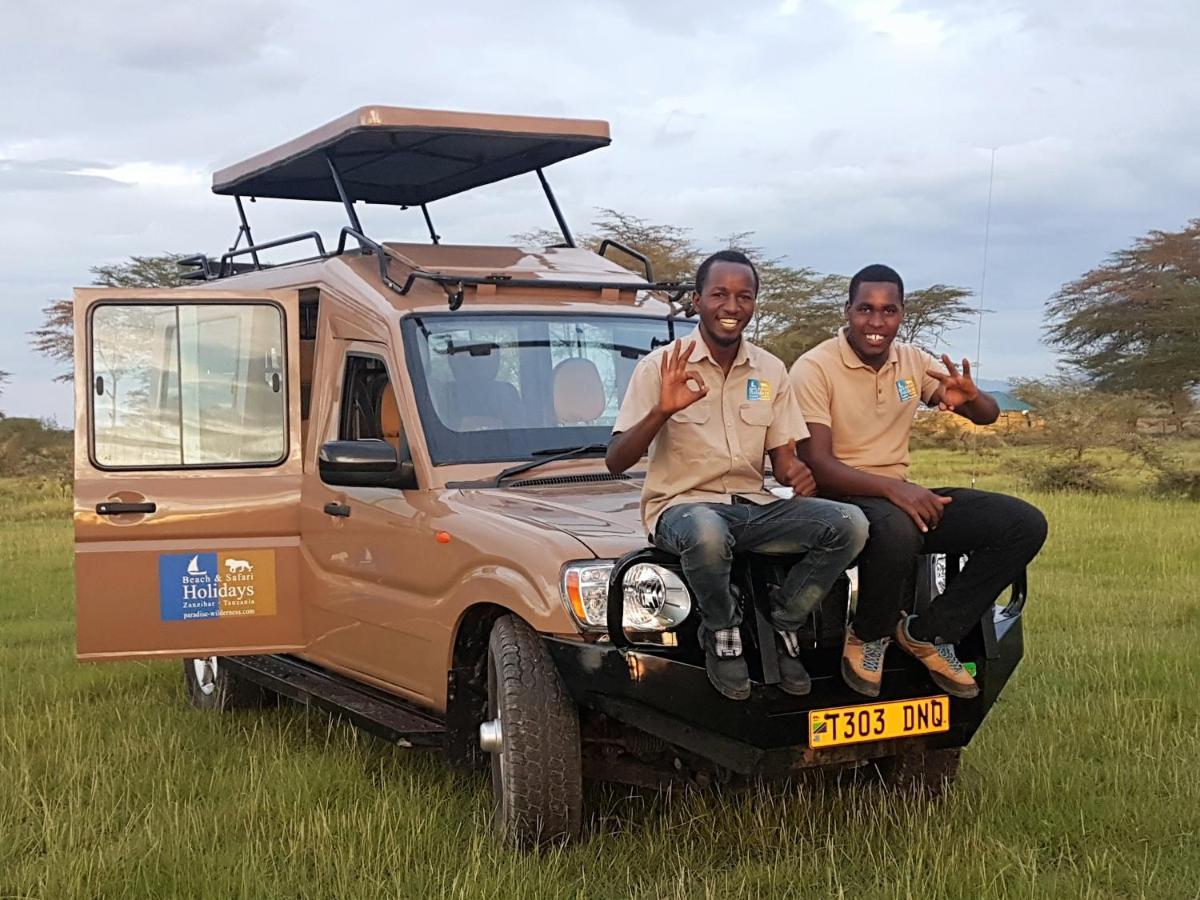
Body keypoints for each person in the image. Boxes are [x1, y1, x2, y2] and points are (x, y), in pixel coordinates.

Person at [607, 250, 869, 700]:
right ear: (697, 299)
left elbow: (783, 459)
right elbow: (616, 460)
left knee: (849, 524)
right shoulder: (661, 367)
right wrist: (662, 411)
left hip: (752, 507)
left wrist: (797, 473)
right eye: (719, 294)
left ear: (753, 303)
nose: (732, 307)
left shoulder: (770, 370)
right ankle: (723, 631)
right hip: (681, 510)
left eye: (744, 296)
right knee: (707, 532)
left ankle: (782, 621)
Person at [789, 263, 1048, 700]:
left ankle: (928, 632)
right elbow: (817, 463)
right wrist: (896, 489)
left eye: (888, 311)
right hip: (838, 500)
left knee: (1022, 523)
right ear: (847, 311)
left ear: (902, 314)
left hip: (897, 498)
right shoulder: (814, 367)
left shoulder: (911, 362)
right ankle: (868, 634)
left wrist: (973, 398)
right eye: (865, 309)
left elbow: (984, 415)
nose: (876, 322)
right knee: (896, 523)